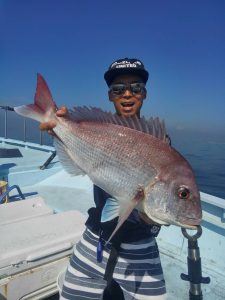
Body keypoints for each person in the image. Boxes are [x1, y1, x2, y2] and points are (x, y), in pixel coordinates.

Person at [40, 58, 167, 300]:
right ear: (110, 96)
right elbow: (79, 154)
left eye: (136, 87)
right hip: (96, 236)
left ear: (145, 94)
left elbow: (156, 207)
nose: (127, 94)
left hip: (140, 245)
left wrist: (151, 214)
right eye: (118, 89)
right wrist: (58, 128)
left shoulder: (160, 144)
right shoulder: (97, 128)